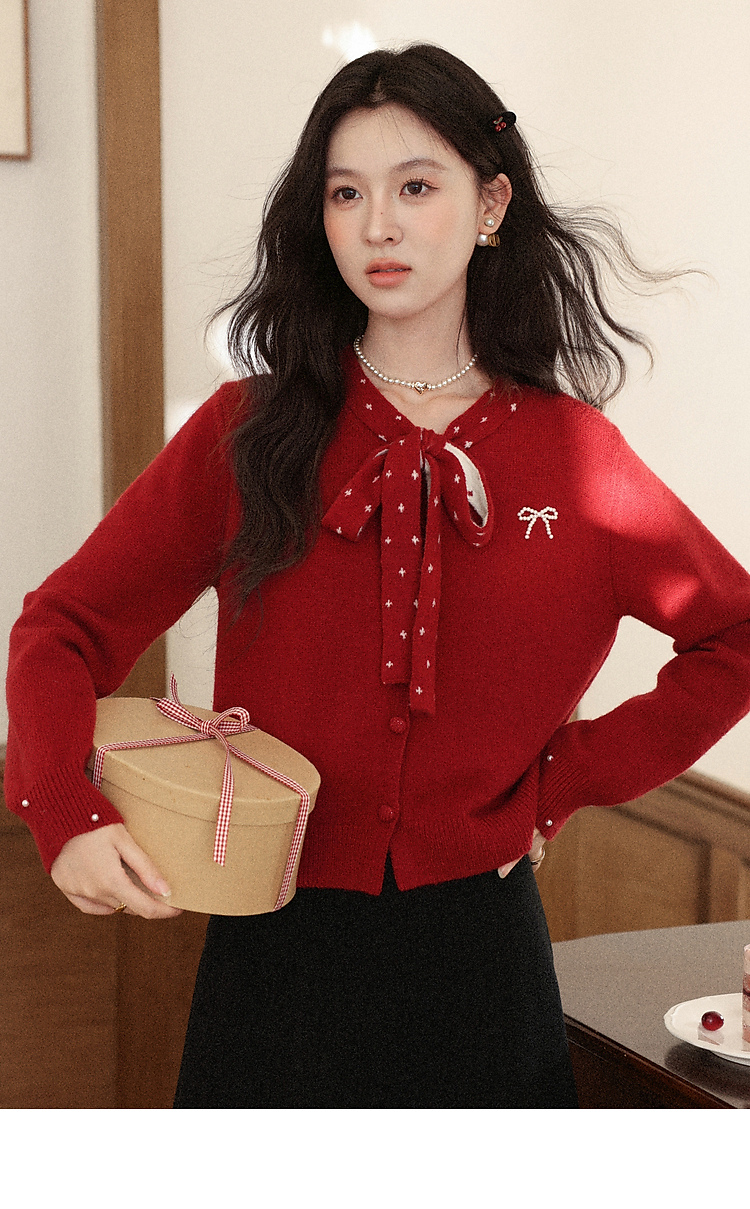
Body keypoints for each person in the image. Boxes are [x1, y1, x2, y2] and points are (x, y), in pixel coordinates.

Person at [6, 43, 750, 1109]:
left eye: (415, 187)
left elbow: (735, 634)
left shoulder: (575, 458)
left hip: (483, 967)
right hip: (271, 958)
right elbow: (62, 626)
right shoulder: (249, 429)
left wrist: (564, 780)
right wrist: (62, 809)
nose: (378, 226)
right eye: (346, 193)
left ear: (491, 204)